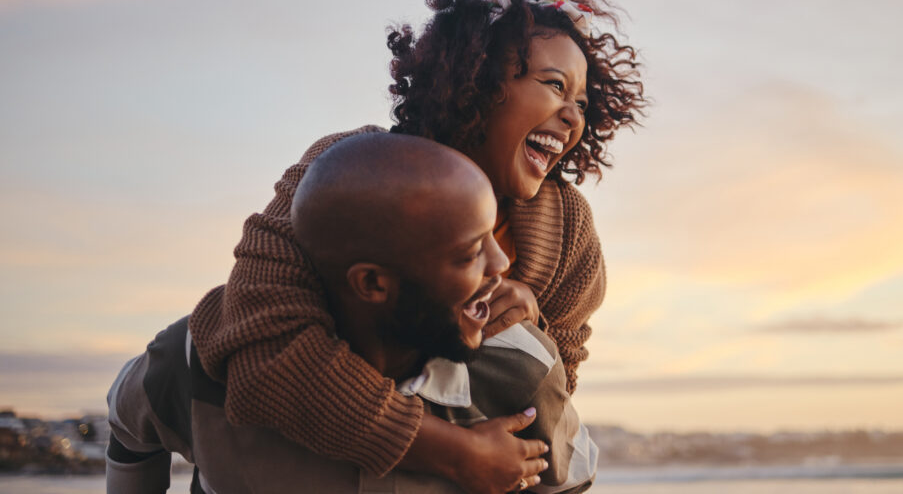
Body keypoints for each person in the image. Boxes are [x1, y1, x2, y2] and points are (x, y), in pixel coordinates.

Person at [187, 0, 645, 494]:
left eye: (582, 101)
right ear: (478, 79)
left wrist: (533, 329)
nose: (573, 116)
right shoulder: (346, 172)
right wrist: (453, 453)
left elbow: (553, 397)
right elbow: (264, 350)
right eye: (552, 85)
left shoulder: (567, 229)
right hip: (290, 457)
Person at [106, 134, 597, 493]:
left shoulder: (521, 369)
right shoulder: (201, 358)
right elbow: (128, 425)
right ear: (372, 283)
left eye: (495, 233)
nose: (504, 264)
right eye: (470, 253)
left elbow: (569, 481)